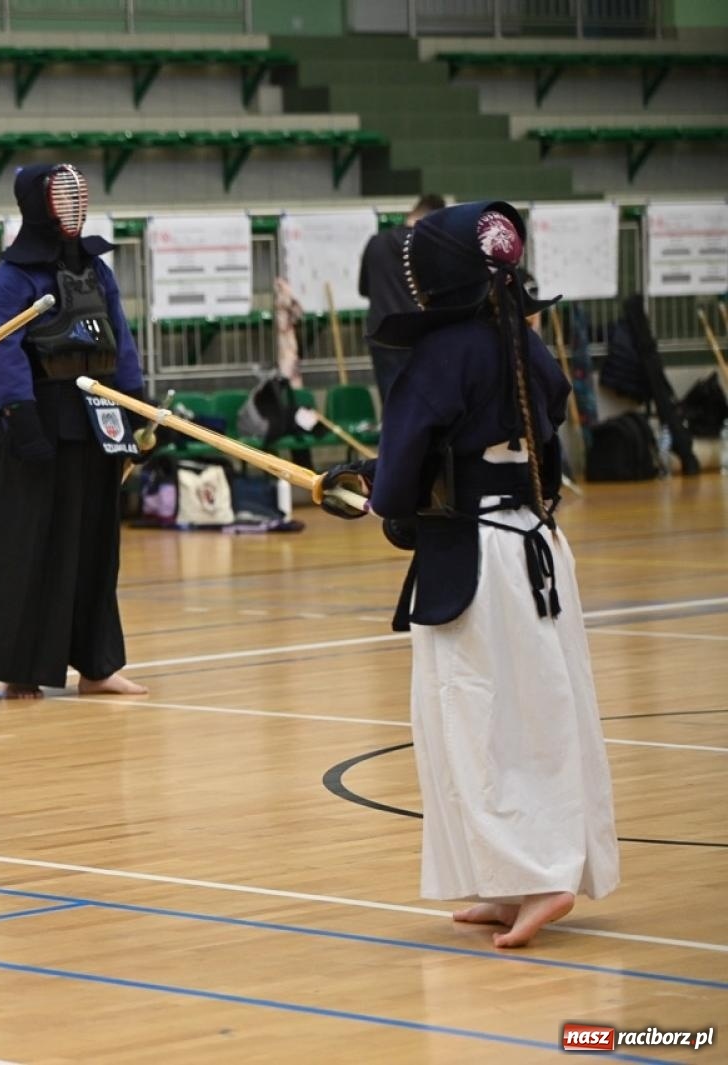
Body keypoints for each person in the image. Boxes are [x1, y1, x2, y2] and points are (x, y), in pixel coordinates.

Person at [322, 200, 619, 949]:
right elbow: (534, 435)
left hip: (477, 563)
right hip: (536, 550)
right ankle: (508, 877)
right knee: (537, 713)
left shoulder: (440, 355)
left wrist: (381, 497)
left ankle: (542, 874)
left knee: (476, 722)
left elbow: (398, 487)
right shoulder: (522, 342)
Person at [0, 163, 148, 700]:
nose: (71, 208)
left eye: (77, 198)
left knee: (96, 547)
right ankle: (21, 668)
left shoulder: (96, 271)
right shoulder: (11, 279)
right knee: (31, 548)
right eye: (59, 199)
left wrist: (136, 407)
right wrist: (20, 417)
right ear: (37, 206)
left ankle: (97, 665)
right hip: (38, 424)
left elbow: (122, 337)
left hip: (96, 421)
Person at [361, 194, 446, 403]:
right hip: (419, 334)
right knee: (424, 403)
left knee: (392, 403)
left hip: (382, 333)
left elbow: (364, 288)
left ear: (413, 212)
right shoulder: (430, 248)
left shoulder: (376, 242)